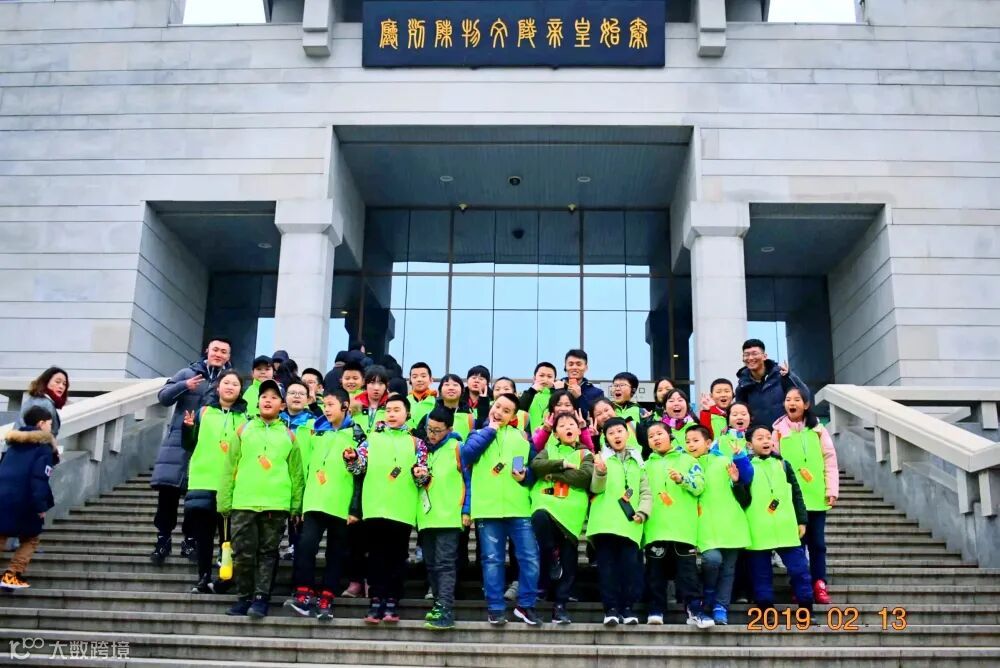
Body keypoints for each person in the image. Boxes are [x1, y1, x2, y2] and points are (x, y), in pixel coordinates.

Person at [219, 379, 304, 619]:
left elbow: (297, 474)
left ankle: (261, 598)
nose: (268, 401)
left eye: (274, 397)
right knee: (242, 552)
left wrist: (296, 505)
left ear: (282, 405)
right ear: (257, 402)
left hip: (275, 504)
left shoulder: (289, 435)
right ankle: (244, 596)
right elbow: (229, 467)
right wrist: (224, 500)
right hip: (243, 501)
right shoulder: (243, 430)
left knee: (268, 553)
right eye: (264, 397)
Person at [345, 394, 430, 624]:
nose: (391, 414)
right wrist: (351, 459)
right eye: (388, 410)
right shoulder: (371, 439)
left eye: (396, 410)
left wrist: (421, 474)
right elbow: (358, 469)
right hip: (374, 506)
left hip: (402, 508)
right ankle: (376, 600)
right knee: (376, 556)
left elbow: (423, 476)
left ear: (407, 414)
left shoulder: (417, 443)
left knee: (398, 556)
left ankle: (392, 600)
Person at [461, 393, 542, 626]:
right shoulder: (477, 434)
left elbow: (534, 470)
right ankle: (495, 608)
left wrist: (526, 476)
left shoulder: (522, 437)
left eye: (506, 411)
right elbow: (467, 455)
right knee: (492, 560)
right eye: (497, 407)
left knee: (530, 558)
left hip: (519, 508)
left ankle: (526, 605)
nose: (499, 412)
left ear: (513, 416)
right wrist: (490, 430)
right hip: (487, 509)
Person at [151, 338, 232, 565]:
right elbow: (163, 397)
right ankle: (163, 540)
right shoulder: (188, 373)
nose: (218, 354)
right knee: (168, 495)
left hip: (207, 446)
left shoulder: (228, 380)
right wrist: (184, 386)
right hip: (177, 444)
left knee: (196, 498)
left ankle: (190, 541)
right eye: (215, 350)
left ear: (228, 356)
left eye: (223, 351)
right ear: (207, 350)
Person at [287, 388, 364, 622]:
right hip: (314, 501)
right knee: (306, 547)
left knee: (336, 554)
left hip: (341, 504)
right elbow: (305, 468)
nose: (326, 409)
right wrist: (300, 503)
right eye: (324, 405)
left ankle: (327, 598)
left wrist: (355, 508)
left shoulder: (358, 434)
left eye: (331, 405)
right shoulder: (315, 431)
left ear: (345, 406)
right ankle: (303, 594)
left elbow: (361, 475)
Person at [180, 369, 247, 594]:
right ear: (218, 387)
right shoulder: (204, 412)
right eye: (226, 383)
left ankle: (225, 577)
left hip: (230, 484)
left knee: (227, 537)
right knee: (204, 535)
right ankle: (203, 577)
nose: (230, 387)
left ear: (240, 390)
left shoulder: (246, 420)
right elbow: (188, 444)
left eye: (235, 384)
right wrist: (187, 428)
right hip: (203, 480)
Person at [772, 387, 838, 605]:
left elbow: (830, 459)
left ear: (806, 404)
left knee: (817, 544)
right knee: (797, 545)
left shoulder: (818, 429)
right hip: (791, 499)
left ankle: (819, 583)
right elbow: (774, 464)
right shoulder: (778, 431)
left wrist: (831, 489)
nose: (792, 403)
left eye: (797, 399)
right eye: (788, 399)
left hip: (816, 496)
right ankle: (800, 584)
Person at [641, 421, 709, 627]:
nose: (656, 438)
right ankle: (656, 610)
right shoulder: (645, 465)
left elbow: (700, 486)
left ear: (670, 435)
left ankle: (695, 610)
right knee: (655, 573)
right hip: (655, 528)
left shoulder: (687, 459)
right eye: (651, 436)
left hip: (683, 529)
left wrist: (682, 479)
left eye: (659, 434)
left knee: (688, 574)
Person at [529, 411, 594, 624]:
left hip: (571, 509)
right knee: (540, 520)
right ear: (555, 433)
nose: (568, 427)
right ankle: (551, 556)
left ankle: (560, 606)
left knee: (569, 556)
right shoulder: (548, 449)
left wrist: (552, 473)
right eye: (562, 425)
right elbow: (536, 466)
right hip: (545, 502)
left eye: (571, 424)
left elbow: (583, 477)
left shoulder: (586, 454)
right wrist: (563, 464)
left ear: (578, 430)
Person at [587, 417, 651, 627]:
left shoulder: (638, 461)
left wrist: (643, 512)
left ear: (627, 433)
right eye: (611, 433)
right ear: (606, 437)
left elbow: (645, 491)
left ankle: (627, 608)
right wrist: (600, 472)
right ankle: (611, 609)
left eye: (619, 431)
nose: (616, 435)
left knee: (630, 569)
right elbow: (595, 489)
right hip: (604, 523)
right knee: (607, 570)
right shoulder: (601, 459)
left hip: (630, 523)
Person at [743, 424, 814, 613]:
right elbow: (741, 497)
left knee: (800, 569)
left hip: (786, 526)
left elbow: (797, 493)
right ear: (749, 444)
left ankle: (806, 608)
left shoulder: (783, 464)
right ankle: (766, 609)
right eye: (760, 438)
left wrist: (802, 520)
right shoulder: (745, 466)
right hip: (758, 527)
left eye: (768, 437)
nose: (766, 441)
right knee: (761, 574)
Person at [691, 424, 752, 626]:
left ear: (708, 443)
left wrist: (737, 479)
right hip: (704, 523)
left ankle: (721, 606)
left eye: (696, 440)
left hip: (731, 521)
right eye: (688, 441)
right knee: (712, 560)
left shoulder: (724, 460)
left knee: (728, 568)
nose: (691, 445)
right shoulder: (686, 463)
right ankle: (708, 593)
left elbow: (745, 487)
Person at [417, 406, 468, 631]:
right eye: (429, 429)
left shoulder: (458, 448)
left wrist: (467, 510)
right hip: (425, 516)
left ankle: (445, 609)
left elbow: (468, 480)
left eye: (437, 430)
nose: (432, 434)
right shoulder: (422, 450)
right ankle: (438, 604)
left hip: (449, 516)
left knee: (445, 564)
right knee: (430, 564)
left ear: (449, 429)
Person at [0, 406, 58, 591]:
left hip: (3, 498)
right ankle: (12, 575)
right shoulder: (43, 449)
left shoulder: (13, 445)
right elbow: (39, 479)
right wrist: (41, 507)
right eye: (49, 424)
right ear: (41, 424)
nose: (50, 428)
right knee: (30, 538)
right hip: (25, 501)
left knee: (1, 535)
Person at [280, 379, 317, 561]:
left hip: (302, 475)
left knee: (298, 517)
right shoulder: (276, 420)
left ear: (308, 399)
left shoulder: (315, 424)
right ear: (285, 398)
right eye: (292, 393)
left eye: (301, 394)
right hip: (278, 475)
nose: (296, 397)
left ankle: (294, 545)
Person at [734, 339, 809, 428]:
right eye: (746, 355)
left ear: (765, 356)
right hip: (758, 434)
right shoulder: (743, 385)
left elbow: (805, 396)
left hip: (784, 432)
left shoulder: (782, 376)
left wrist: (790, 375)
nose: (750, 358)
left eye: (754, 354)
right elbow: (738, 412)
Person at [415, 374, 475, 443]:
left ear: (462, 390)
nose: (451, 388)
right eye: (447, 385)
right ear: (440, 390)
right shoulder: (430, 416)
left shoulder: (470, 416)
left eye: (455, 385)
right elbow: (421, 443)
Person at [15, 367, 69, 438]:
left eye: (64, 384)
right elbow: (38, 435)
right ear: (46, 382)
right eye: (57, 382)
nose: (61, 386)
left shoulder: (37, 400)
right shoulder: (43, 403)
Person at [558, 349, 604, 420]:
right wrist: (558, 391)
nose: (574, 367)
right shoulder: (556, 387)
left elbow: (594, 418)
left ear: (586, 368)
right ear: (565, 367)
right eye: (570, 364)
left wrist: (580, 398)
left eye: (578, 364)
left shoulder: (597, 393)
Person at [519, 362, 557, 432]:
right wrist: (532, 391)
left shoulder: (558, 396)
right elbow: (519, 410)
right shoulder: (528, 395)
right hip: (531, 438)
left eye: (549, 376)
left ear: (554, 380)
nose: (545, 379)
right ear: (534, 378)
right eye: (541, 375)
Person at [407, 362, 436, 430]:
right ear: (410, 380)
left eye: (423, 376)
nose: (419, 379)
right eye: (415, 377)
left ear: (431, 379)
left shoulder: (437, 402)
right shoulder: (404, 402)